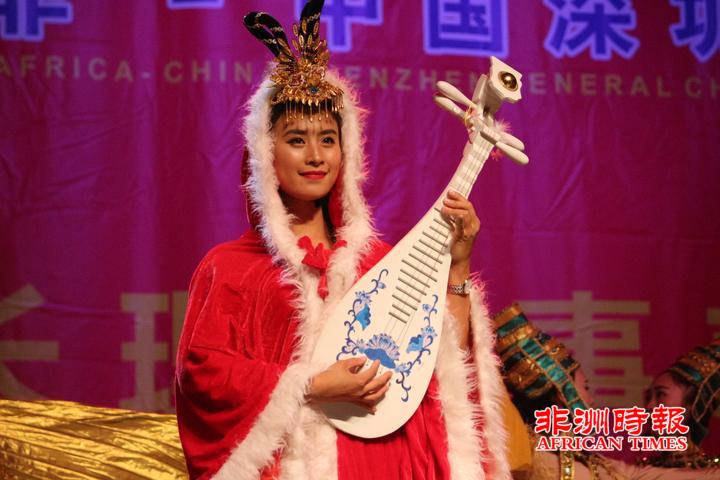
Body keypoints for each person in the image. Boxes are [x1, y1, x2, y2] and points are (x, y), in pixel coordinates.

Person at [174, 1, 511, 479]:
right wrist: (310, 384)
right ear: (265, 153)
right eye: (297, 139)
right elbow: (201, 375)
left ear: (346, 151)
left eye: (328, 140)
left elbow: (439, 369)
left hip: (380, 463)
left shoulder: (378, 262)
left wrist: (457, 268)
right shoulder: (229, 267)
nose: (316, 156)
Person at [493, 304, 719, 480]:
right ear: (563, 393)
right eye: (585, 388)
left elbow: (635, 474)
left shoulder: (579, 457)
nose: (591, 400)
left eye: (661, 395)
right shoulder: (533, 454)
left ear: (693, 404)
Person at [640, 339, 720, 470]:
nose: (649, 406)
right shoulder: (638, 472)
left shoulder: (712, 474)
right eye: (648, 397)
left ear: (692, 403)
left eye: (661, 395)